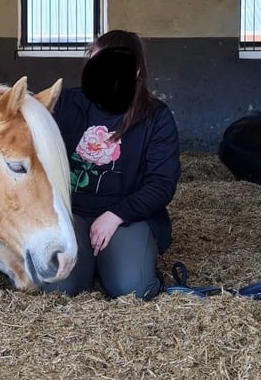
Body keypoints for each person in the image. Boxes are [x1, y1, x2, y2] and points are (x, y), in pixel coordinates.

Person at [41, 30, 181, 300]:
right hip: (72, 213)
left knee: (132, 289)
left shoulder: (156, 117)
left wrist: (116, 215)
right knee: (59, 288)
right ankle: (93, 263)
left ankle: (117, 261)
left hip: (126, 216)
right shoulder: (65, 104)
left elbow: (162, 183)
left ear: (136, 71)